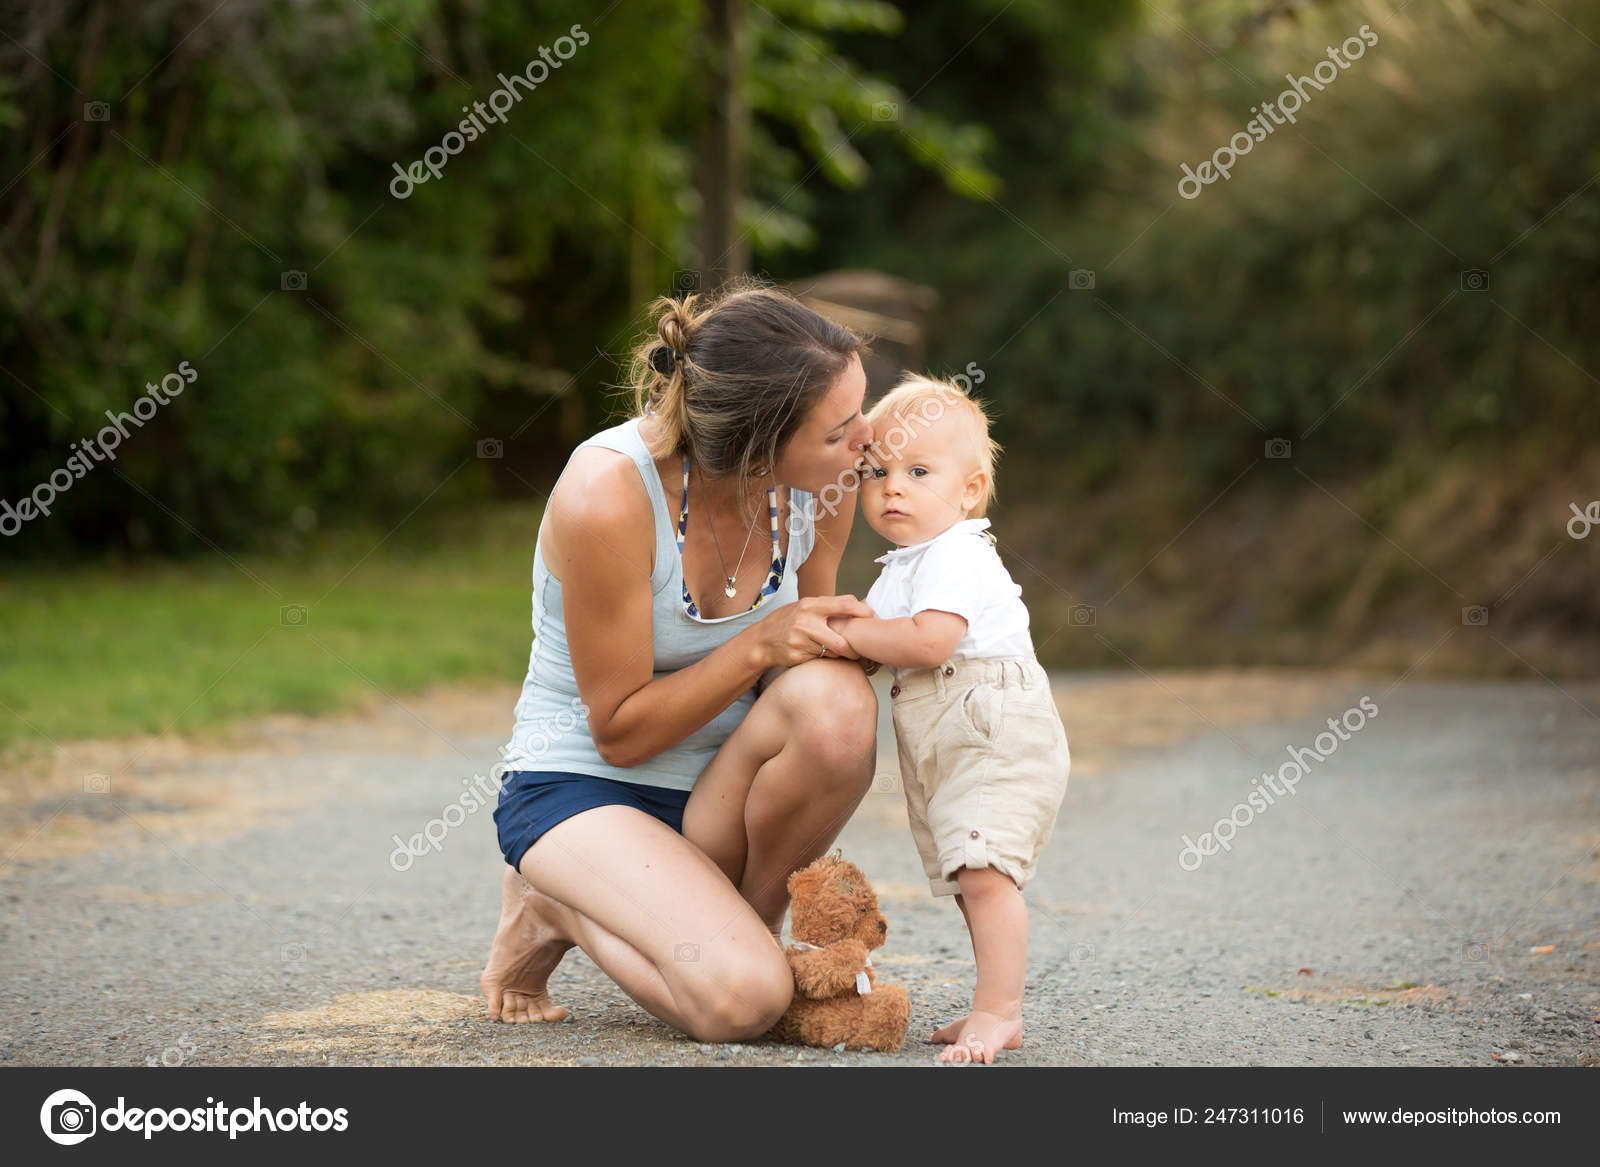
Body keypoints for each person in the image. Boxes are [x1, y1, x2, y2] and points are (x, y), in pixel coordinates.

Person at [480, 279, 883, 1044]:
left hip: (716, 795)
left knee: (838, 703)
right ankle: (553, 900)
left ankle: (756, 925)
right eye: (839, 431)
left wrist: (903, 641)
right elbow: (620, 732)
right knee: (741, 1003)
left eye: (860, 412)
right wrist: (761, 642)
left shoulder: (817, 490)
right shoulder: (609, 494)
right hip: (585, 786)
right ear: (760, 445)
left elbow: (805, 674)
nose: (867, 439)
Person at [823, 374, 1071, 1064]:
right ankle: (992, 1000)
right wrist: (845, 634)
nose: (891, 487)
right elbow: (876, 639)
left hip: (992, 725)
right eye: (876, 473)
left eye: (917, 471)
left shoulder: (958, 552)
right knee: (970, 878)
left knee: (986, 873)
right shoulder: (901, 566)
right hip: (944, 735)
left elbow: (928, 642)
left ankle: (1000, 1012)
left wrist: (850, 634)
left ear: (968, 490)